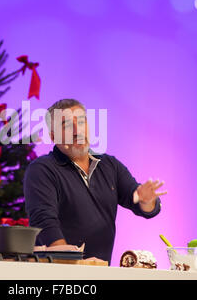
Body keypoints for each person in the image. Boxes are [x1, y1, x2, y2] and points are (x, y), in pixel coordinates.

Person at [23, 99, 167, 264]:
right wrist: (68, 264)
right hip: (57, 272)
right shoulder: (41, 169)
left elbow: (141, 204)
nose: (78, 131)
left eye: (82, 122)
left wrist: (146, 201)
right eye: (67, 125)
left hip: (99, 271)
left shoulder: (110, 165)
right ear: (53, 136)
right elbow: (43, 220)